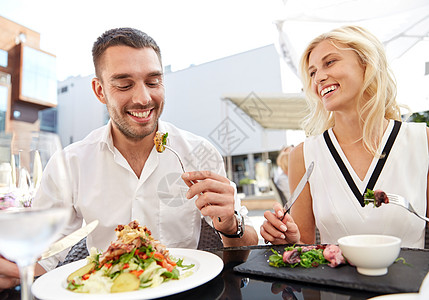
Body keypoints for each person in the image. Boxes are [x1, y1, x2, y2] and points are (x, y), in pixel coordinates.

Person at [0, 27, 258, 289]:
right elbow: (45, 256)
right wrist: (12, 271)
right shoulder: (71, 163)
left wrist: (231, 225)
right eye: (124, 84)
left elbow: (244, 249)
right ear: (100, 90)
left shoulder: (199, 152)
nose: (143, 98)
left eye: (153, 82)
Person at [260, 25, 429, 249]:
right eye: (312, 72)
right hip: (334, 284)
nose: (318, 78)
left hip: (412, 284)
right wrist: (286, 239)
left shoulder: (422, 140)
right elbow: (303, 248)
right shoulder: (303, 155)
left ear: (367, 64)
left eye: (330, 62)